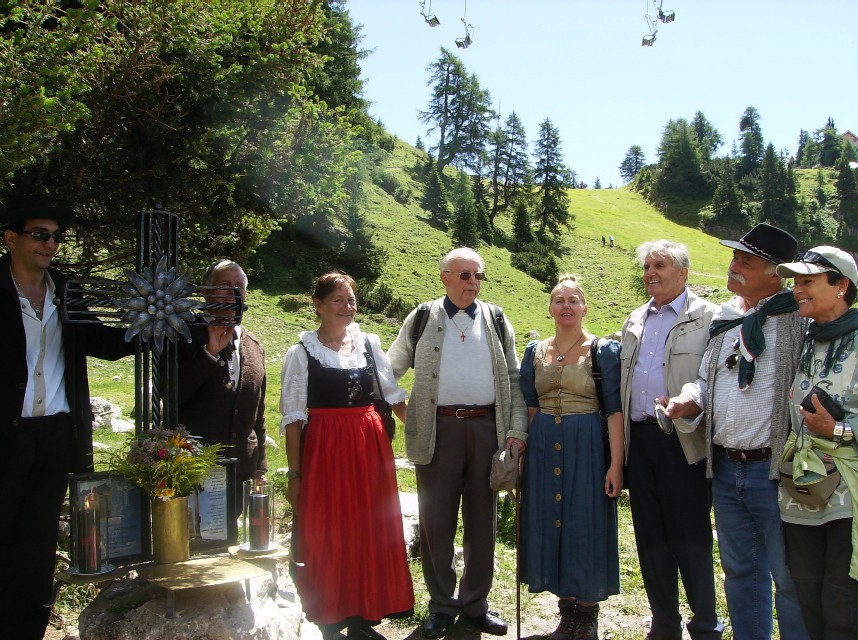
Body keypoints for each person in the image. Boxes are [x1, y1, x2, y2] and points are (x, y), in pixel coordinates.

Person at [665, 223, 810, 640]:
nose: (734, 267)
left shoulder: (797, 321)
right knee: (741, 572)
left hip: (775, 473)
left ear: (776, 273)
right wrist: (689, 400)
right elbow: (709, 380)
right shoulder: (727, 319)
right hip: (727, 470)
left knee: (789, 577)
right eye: (734, 258)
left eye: (746, 261)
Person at [0, 192, 132, 640]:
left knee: (36, 549)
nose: (49, 244)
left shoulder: (65, 292)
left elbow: (103, 342)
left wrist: (152, 325)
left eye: (55, 237)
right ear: (11, 238)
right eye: (39, 235)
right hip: (5, 437)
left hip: (54, 436)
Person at [387, 247, 528, 639]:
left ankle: (475, 605)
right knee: (437, 521)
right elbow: (389, 368)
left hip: (487, 429)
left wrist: (516, 432)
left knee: (483, 521)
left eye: (479, 275)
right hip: (438, 431)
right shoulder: (420, 318)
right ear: (445, 277)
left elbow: (514, 379)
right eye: (465, 275)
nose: (473, 283)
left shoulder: (497, 319)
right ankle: (441, 604)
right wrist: (403, 408)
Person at [280, 272, 413, 640]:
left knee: (368, 528)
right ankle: (328, 614)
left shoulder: (369, 343)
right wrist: (295, 474)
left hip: (369, 449)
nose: (348, 305)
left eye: (351, 298)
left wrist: (427, 431)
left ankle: (362, 612)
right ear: (318, 305)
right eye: (338, 299)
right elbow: (293, 418)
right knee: (329, 530)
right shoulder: (302, 353)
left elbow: (393, 396)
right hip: (325, 451)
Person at [619, 241, 722, 640]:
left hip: (684, 439)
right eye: (646, 266)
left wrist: (689, 399)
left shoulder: (709, 317)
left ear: (683, 273)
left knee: (690, 535)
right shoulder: (635, 318)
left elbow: (713, 376)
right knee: (650, 536)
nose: (650, 273)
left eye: (660, 265)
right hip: (640, 441)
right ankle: (664, 623)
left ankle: (705, 625)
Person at [519, 273, 623, 640]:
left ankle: (587, 618)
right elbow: (530, 409)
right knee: (553, 523)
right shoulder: (534, 353)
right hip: (546, 445)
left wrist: (615, 464)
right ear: (549, 308)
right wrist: (525, 455)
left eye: (573, 300)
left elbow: (614, 411)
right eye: (559, 300)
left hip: (589, 445)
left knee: (585, 523)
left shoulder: (603, 351)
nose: (566, 306)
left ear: (584, 308)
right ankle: (566, 618)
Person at [774, 246, 858, 640]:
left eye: (808, 281)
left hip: (848, 493)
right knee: (807, 596)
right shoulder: (807, 338)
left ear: (841, 285)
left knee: (842, 605)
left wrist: (837, 431)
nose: (797, 289)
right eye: (795, 281)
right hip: (801, 492)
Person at [178, 259, 267, 514]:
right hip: (194, 467)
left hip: (241, 470)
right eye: (225, 285)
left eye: (239, 286)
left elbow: (258, 415)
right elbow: (173, 395)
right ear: (206, 292)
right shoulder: (184, 334)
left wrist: (260, 468)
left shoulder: (254, 345)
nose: (233, 293)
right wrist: (209, 354)